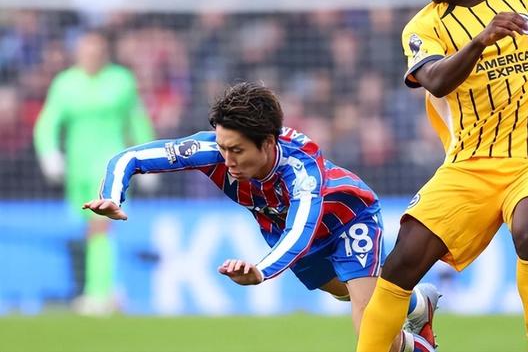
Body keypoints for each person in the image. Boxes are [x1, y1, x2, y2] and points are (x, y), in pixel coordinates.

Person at [83, 82, 440, 352]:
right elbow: (130, 158)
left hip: (348, 219)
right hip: (286, 230)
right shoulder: (214, 150)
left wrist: (261, 270)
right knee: (347, 294)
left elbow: (300, 233)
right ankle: (416, 305)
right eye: (222, 148)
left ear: (268, 143)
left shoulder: (302, 170)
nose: (227, 160)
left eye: (237, 150)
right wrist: (112, 195)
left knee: (368, 322)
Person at [356, 0, 528, 352]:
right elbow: (436, 81)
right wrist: (480, 40)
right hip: (470, 164)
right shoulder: (422, 28)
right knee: (401, 263)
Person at [34, 31, 156, 314]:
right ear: (78, 53)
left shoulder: (121, 81)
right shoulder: (65, 83)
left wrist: (150, 160)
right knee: (90, 228)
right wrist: (49, 153)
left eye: (97, 51)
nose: (92, 56)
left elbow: (136, 121)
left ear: (105, 53)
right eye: (87, 51)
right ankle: (108, 288)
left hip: (111, 164)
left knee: (100, 225)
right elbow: (47, 122)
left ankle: (99, 293)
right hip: (77, 167)